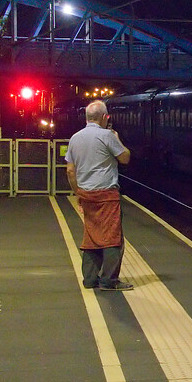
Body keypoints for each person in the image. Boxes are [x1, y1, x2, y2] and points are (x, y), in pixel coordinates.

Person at [65, 100, 133, 291]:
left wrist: (78, 192)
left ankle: (90, 279)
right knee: (112, 237)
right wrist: (117, 139)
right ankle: (109, 280)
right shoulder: (107, 136)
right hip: (106, 194)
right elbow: (125, 158)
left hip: (86, 194)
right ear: (104, 117)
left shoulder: (75, 138)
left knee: (91, 235)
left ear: (87, 117)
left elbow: (70, 170)